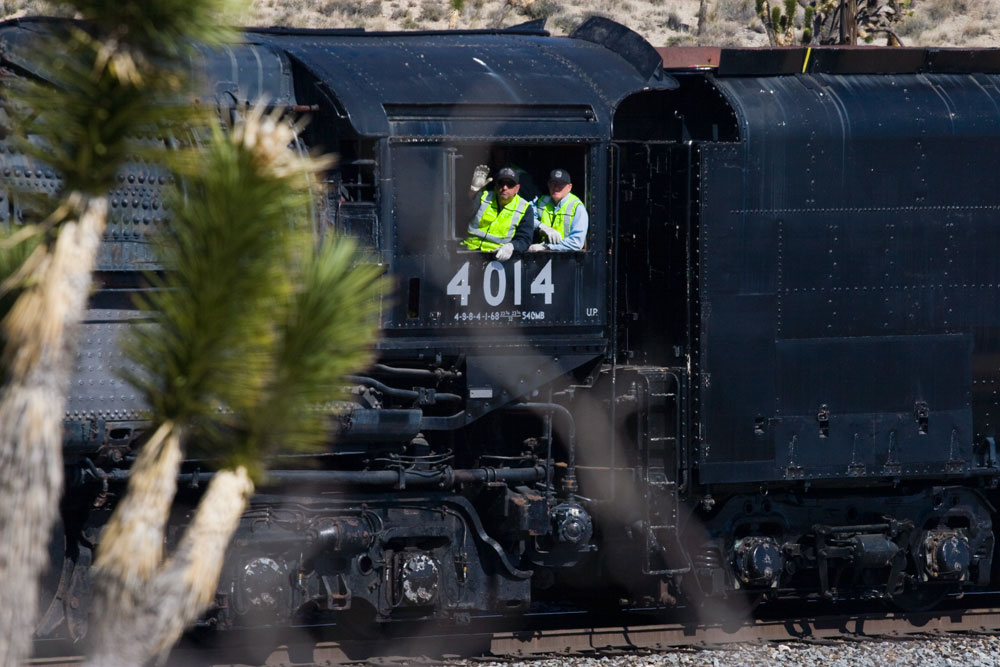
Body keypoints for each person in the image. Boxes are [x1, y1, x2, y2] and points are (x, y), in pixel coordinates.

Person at [463, 167, 535, 261]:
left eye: (510, 184)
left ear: (517, 188)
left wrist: (512, 246)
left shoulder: (525, 208)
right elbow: (463, 214)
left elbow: (525, 240)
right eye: (501, 183)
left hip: (498, 256)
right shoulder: (483, 196)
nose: (504, 188)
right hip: (468, 251)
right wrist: (473, 192)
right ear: (496, 185)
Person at [528, 168, 588, 252]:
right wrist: (541, 226)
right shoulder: (541, 201)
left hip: (567, 257)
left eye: (561, 184)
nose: (556, 187)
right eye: (553, 183)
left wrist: (546, 247)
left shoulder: (577, 207)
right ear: (548, 185)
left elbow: (576, 243)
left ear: (569, 187)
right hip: (542, 257)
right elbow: (525, 216)